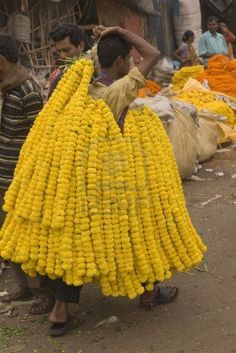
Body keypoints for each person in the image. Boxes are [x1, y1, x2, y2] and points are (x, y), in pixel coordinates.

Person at [47, 25, 179, 337]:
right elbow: (154, 54)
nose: (133, 63)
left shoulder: (85, 84)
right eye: (128, 60)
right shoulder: (118, 91)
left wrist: (102, 40)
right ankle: (149, 292)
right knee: (138, 230)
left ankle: (60, 312)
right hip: (116, 175)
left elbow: (99, 54)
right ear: (120, 61)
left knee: (78, 239)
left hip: (83, 176)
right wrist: (119, 29)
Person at [0, 33, 55, 314]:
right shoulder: (4, 88)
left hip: (21, 176)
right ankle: (23, 287)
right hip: (2, 172)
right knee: (6, 237)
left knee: (30, 239)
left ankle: (44, 293)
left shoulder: (27, 90)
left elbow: (39, 136)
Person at [48, 23, 86, 96]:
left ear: (81, 46)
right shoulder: (59, 78)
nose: (62, 56)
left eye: (66, 50)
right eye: (59, 51)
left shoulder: (97, 69)